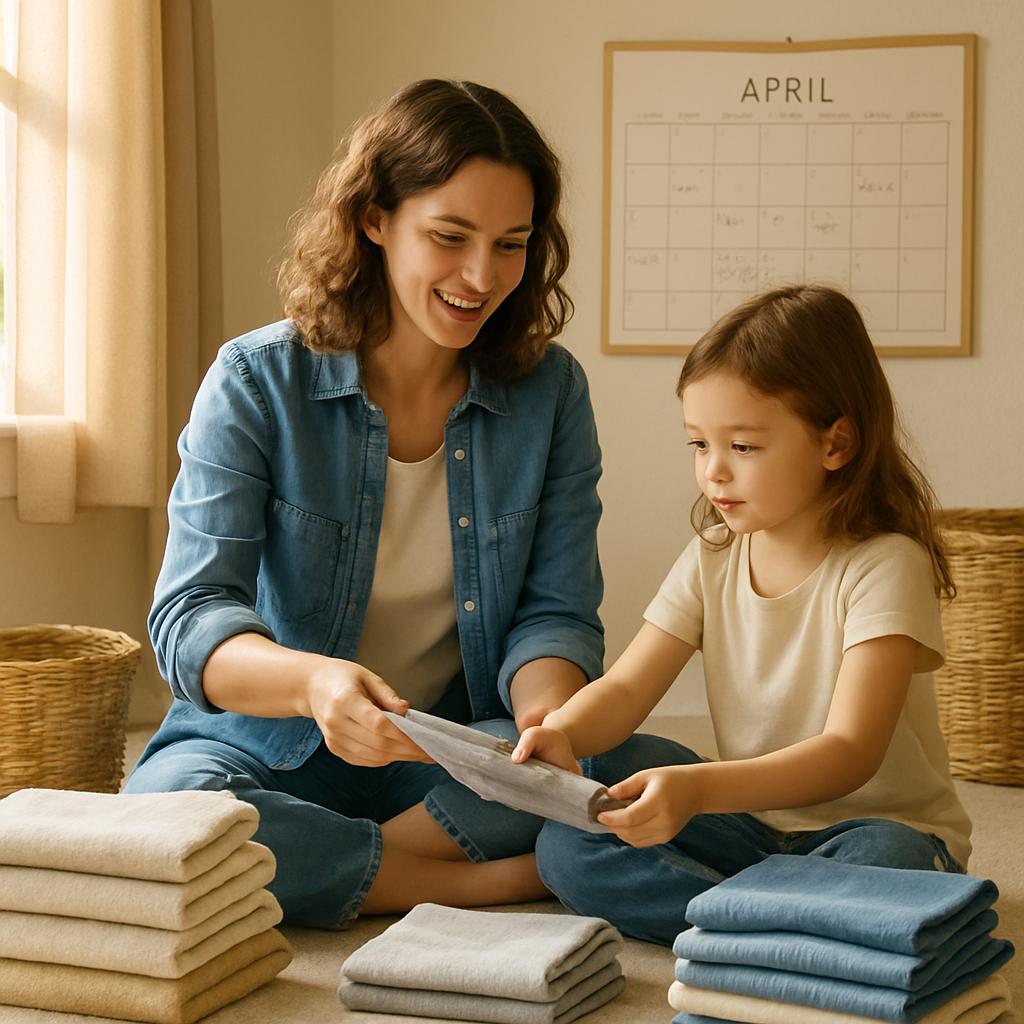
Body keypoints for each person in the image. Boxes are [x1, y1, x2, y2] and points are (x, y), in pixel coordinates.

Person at [125, 79, 604, 929]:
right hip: (266, 745)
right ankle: (472, 882)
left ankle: (331, 862)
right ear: (374, 218)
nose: (480, 276)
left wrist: (543, 729)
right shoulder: (254, 383)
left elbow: (555, 617)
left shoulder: (552, 394)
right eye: (450, 237)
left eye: (512, 244)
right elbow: (190, 620)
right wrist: (316, 685)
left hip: (448, 749)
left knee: (616, 755)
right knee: (169, 811)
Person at [514, 284, 971, 947]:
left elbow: (850, 754)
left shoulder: (885, 564)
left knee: (890, 861)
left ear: (836, 442)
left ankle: (748, 921)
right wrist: (563, 732)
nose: (713, 473)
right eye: (700, 445)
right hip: (756, 829)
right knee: (573, 835)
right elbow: (625, 689)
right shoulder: (713, 555)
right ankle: (785, 927)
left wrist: (696, 789)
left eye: (744, 447)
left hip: (879, 834)